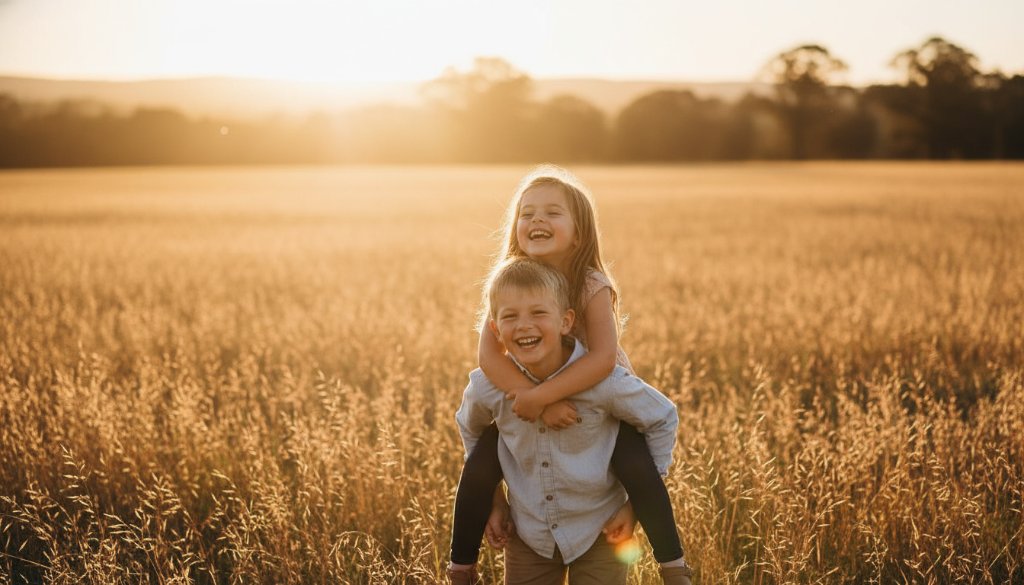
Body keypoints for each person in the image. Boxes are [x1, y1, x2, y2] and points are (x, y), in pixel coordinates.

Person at [449, 166, 693, 584]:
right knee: (486, 453)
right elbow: (488, 355)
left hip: (598, 398)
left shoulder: (590, 282)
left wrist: (544, 398)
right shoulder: (509, 282)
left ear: (578, 234)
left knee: (635, 462)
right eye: (527, 213)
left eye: (551, 213)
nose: (537, 220)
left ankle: (674, 566)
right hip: (527, 393)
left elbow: (602, 359)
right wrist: (535, 400)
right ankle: (460, 568)